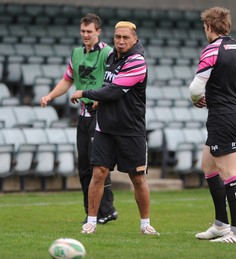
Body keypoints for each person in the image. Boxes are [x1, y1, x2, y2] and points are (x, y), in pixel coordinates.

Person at [71, 21, 159, 236]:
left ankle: (145, 224)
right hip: (105, 128)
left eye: (125, 38)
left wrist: (84, 93)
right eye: (117, 37)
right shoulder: (111, 57)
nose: (120, 41)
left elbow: (114, 91)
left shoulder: (137, 61)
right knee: (98, 173)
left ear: (135, 39)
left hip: (131, 130)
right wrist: (100, 100)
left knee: (137, 178)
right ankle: (92, 221)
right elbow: (108, 87)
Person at [189, 7, 236, 244]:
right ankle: (221, 224)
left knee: (229, 173)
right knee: (208, 165)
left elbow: (194, 89)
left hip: (222, 117)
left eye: (205, 27)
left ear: (209, 27)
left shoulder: (211, 50)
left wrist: (195, 101)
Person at [40, 13, 117, 225]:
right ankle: (94, 210)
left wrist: (98, 98)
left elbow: (113, 83)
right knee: (84, 167)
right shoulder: (76, 53)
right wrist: (50, 96)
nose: (85, 35)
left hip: (101, 117)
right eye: (82, 31)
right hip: (83, 118)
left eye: (89, 31)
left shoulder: (108, 53)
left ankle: (105, 210)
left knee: (99, 166)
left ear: (98, 32)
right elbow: (67, 80)